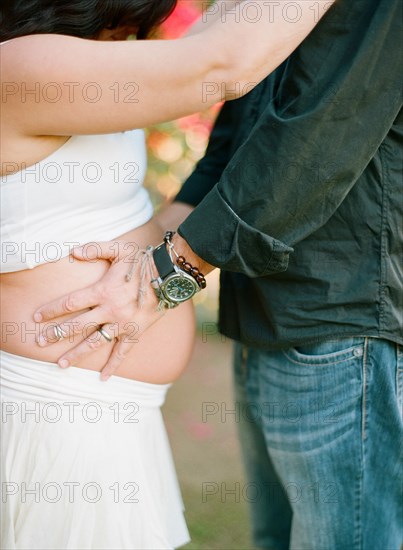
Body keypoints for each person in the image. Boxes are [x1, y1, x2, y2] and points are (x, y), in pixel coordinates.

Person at [32, 0, 403, 548]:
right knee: (276, 538)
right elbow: (235, 140)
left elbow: (315, 142)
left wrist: (162, 280)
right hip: (261, 313)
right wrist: (136, 246)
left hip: (338, 322)